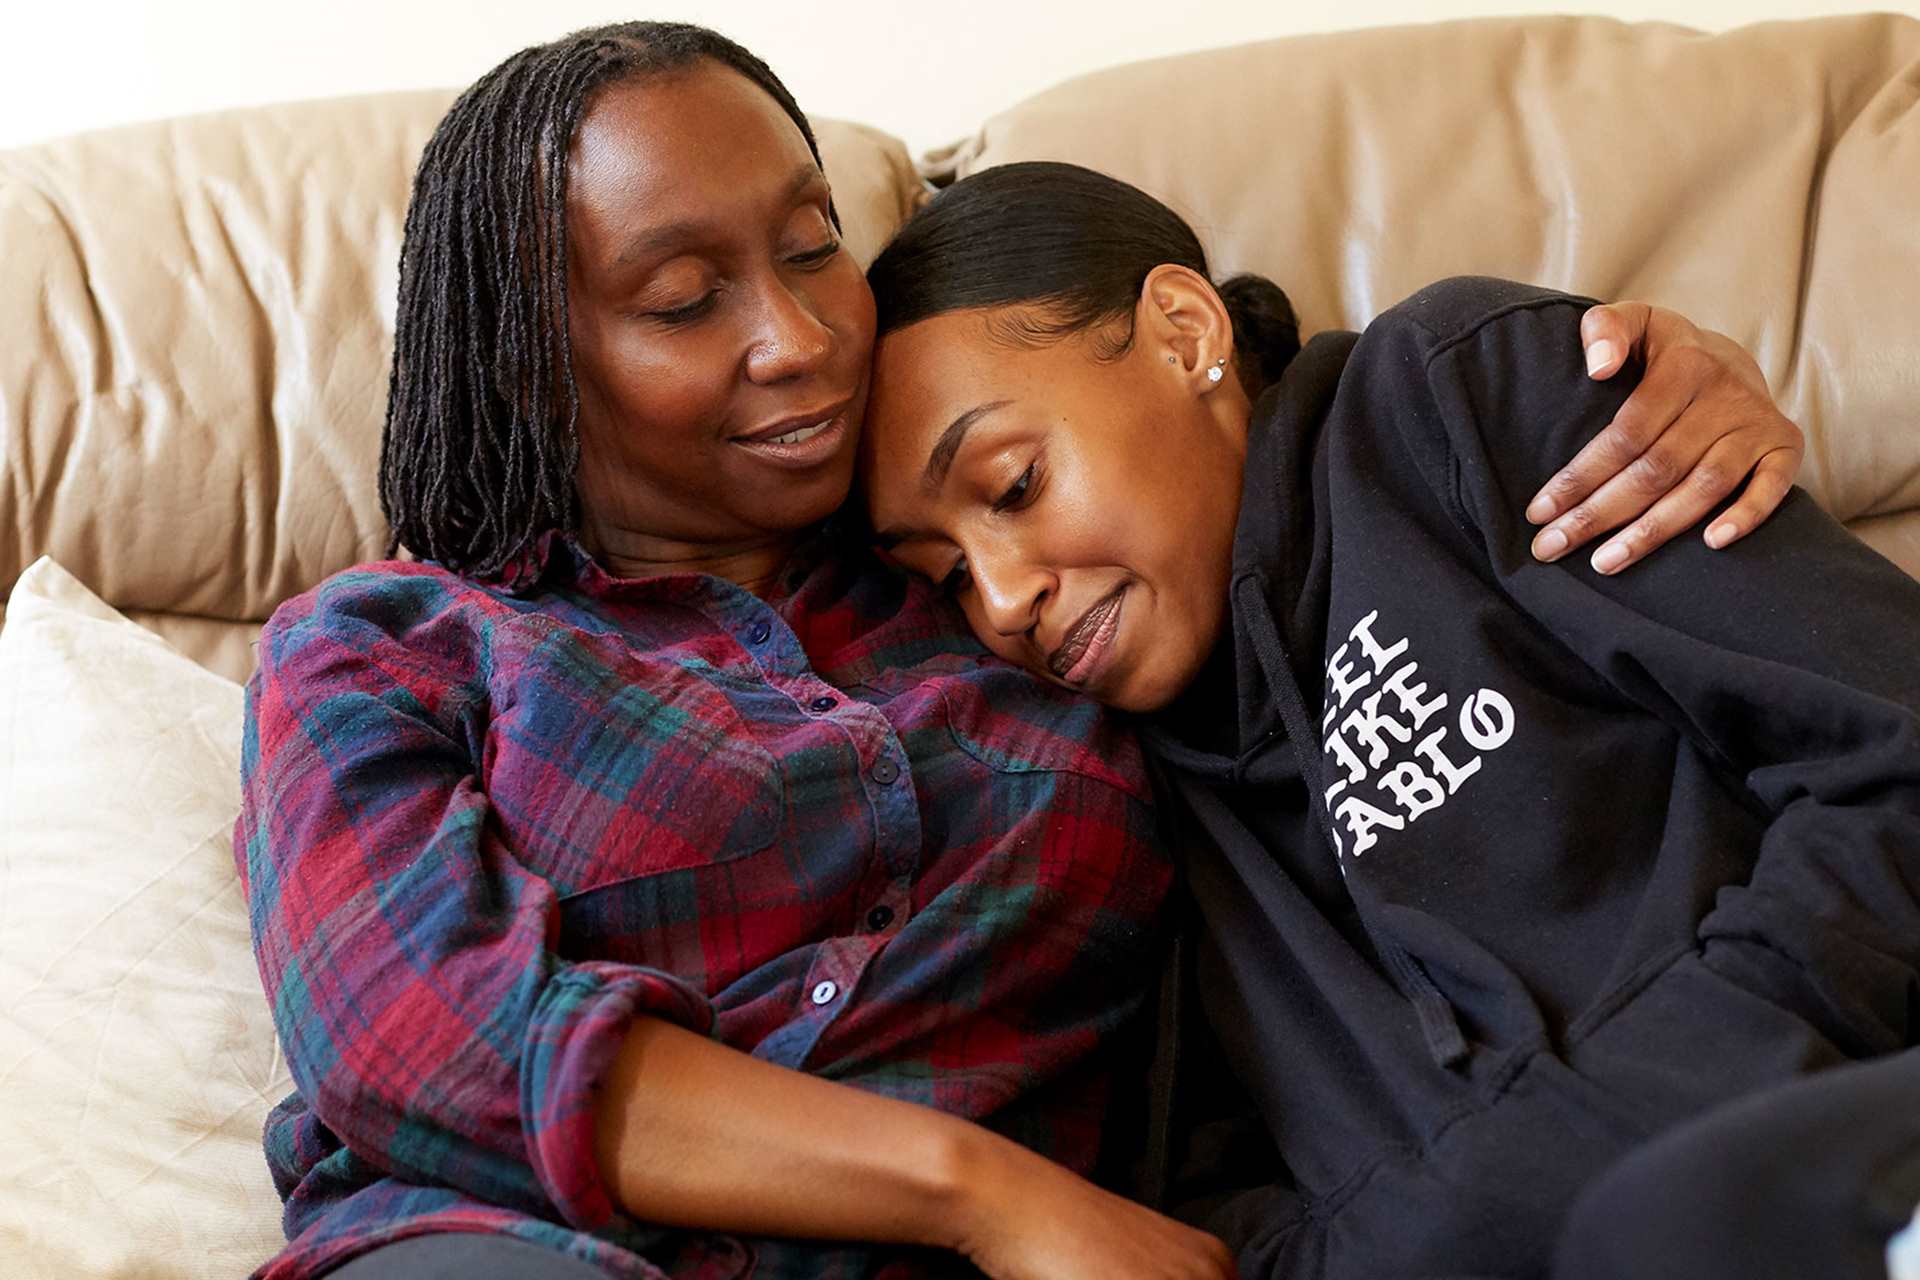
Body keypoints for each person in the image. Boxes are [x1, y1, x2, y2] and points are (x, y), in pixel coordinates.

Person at [234, 21, 1813, 1280]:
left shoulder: (1014, 593)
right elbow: (416, 1038)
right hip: (519, 1248)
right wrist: (982, 1193)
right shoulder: (392, 644)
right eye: (683, 297)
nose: (794, 338)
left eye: (807, 246)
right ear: (528, 359)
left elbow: (1272, 465)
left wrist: (1625, 371)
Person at [856, 160, 1920, 1279]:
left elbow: (1893, 748)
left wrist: (1591, 1155)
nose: (1005, 598)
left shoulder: (1447, 396)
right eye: (948, 579)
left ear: (1182, 332)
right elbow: (1200, 1218)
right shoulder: (1102, 795)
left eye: (1014, 484)